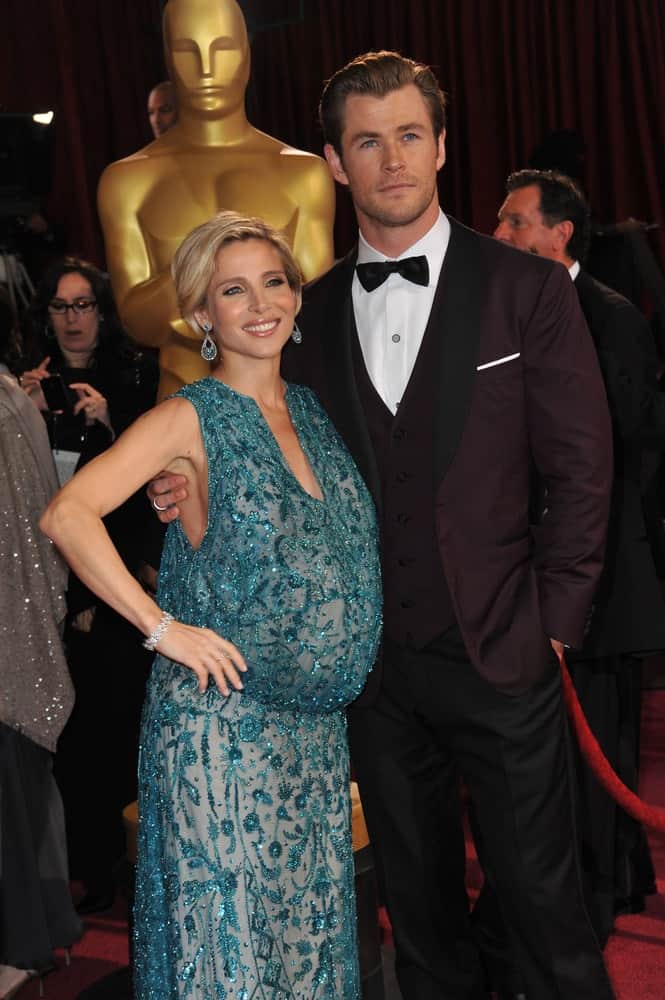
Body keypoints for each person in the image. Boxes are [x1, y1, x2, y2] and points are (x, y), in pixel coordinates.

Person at [150, 51, 615, 1000]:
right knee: (422, 920)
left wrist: (555, 626)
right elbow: (259, 446)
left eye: (409, 136)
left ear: (441, 147)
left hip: (503, 651)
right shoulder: (304, 314)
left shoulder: (527, 289)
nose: (391, 160)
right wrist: (181, 482)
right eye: (367, 142)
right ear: (332, 161)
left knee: (544, 913)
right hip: (369, 674)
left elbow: (582, 466)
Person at [40, 212, 382, 999]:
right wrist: (163, 630)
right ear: (202, 314)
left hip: (311, 740)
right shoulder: (188, 414)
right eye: (233, 289)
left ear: (296, 296)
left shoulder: (312, 412)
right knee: (231, 958)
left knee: (303, 948)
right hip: (220, 735)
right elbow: (67, 514)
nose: (259, 303)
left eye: (273, 281)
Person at [494, 169, 665, 943]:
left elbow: (625, 448)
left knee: (603, 743)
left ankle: (601, 894)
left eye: (512, 222)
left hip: (606, 578)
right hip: (531, 573)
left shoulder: (611, 316)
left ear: (559, 233)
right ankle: (596, 883)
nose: (497, 236)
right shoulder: (507, 316)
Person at [97, 0, 335, 399]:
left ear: (246, 54)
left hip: (284, 403)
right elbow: (137, 319)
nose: (206, 68)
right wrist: (228, 270)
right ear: (168, 60)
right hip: (183, 405)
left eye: (222, 47)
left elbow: (316, 306)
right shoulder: (128, 181)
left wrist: (205, 282)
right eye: (187, 50)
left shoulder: (303, 173)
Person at [21, 258, 160, 914]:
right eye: (60, 306)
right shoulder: (28, 392)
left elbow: (143, 498)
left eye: (83, 305)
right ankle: (85, 866)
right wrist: (18, 425)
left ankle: (128, 866)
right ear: (45, 315)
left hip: (116, 582)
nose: (72, 318)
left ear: (101, 313)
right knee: (68, 736)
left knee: (118, 724)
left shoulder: (135, 380)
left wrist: (111, 422)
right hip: (42, 589)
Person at [0, 290, 82, 992]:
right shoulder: (8, 398)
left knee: (11, 799)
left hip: (9, 638)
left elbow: (29, 535)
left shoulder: (2, 405)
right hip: (18, 631)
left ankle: (19, 946)